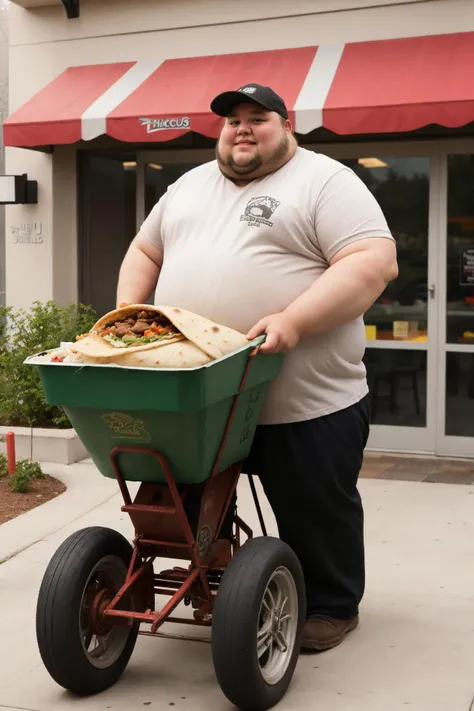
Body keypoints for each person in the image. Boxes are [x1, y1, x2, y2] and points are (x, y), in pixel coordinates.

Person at [116, 83, 398, 651]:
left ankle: (332, 605)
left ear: (286, 124)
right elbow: (146, 251)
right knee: (177, 504)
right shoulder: (188, 186)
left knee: (314, 508)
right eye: (231, 120)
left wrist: (293, 319)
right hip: (200, 399)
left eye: (257, 118)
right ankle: (216, 576)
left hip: (304, 398)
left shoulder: (326, 181)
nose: (241, 128)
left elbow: (373, 263)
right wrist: (128, 315)